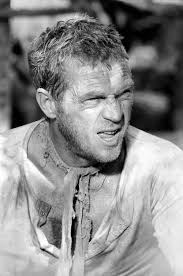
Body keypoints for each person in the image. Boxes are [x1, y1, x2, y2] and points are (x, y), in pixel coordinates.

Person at [0, 15, 183, 276]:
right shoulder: (5, 167)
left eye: (124, 94)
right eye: (93, 99)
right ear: (49, 104)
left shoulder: (162, 167)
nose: (116, 114)